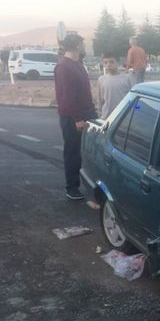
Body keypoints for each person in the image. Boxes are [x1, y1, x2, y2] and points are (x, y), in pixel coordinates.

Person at [54, 34, 97, 200]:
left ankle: (90, 183)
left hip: (87, 113)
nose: (84, 46)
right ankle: (72, 187)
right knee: (73, 152)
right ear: (78, 45)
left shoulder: (77, 64)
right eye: (83, 43)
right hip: (72, 117)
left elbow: (84, 91)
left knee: (90, 150)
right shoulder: (64, 66)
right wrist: (77, 118)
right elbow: (67, 96)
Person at [97, 52, 134, 119]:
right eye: (105, 62)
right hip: (107, 116)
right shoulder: (101, 79)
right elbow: (100, 99)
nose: (108, 65)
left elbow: (133, 98)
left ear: (118, 63)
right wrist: (100, 112)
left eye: (111, 62)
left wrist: (136, 111)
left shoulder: (128, 78)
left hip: (124, 116)